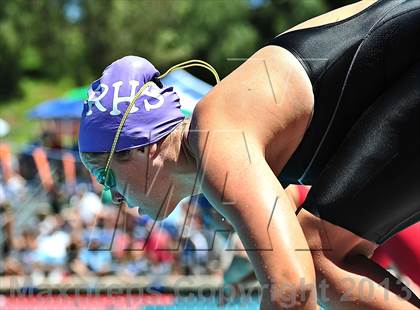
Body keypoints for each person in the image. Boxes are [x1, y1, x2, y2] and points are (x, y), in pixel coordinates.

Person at [78, 1, 420, 308]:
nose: (113, 197)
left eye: (105, 176)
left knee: (319, 254)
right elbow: (273, 265)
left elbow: (292, 290)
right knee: (319, 251)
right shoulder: (238, 146)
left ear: (144, 147)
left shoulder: (216, 135)